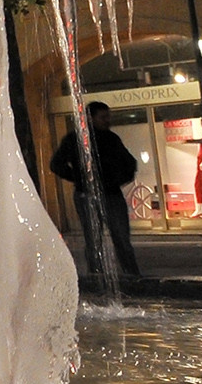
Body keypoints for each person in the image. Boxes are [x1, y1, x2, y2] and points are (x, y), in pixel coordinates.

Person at [50, 101, 142, 278]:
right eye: (103, 117)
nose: (107, 121)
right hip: (92, 194)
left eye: (108, 117)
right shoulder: (76, 140)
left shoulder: (109, 139)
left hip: (107, 193)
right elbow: (56, 164)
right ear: (90, 119)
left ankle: (124, 274)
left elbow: (129, 163)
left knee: (117, 238)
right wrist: (82, 179)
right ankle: (102, 275)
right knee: (96, 239)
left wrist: (114, 179)